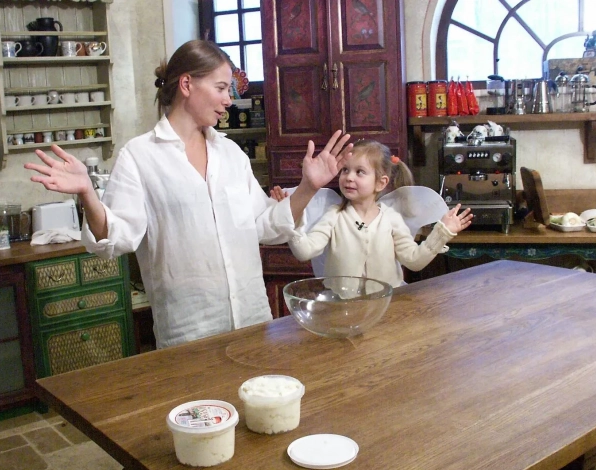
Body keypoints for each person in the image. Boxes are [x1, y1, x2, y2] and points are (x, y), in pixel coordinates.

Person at [25, 40, 352, 348]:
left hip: (252, 320)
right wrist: (87, 193)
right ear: (186, 84)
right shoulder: (140, 156)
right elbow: (117, 237)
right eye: (220, 88)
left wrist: (309, 187)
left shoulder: (231, 154)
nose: (228, 100)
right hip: (188, 332)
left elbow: (265, 225)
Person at [286, 140, 472, 287]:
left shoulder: (392, 219)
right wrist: (291, 215)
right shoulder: (333, 216)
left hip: (387, 307)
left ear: (380, 183)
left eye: (360, 172)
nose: (349, 177)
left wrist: (442, 232)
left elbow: (414, 261)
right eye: (345, 170)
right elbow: (304, 252)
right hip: (344, 308)